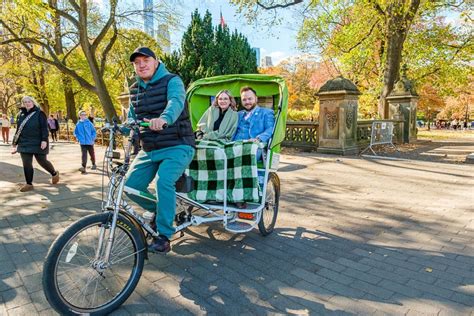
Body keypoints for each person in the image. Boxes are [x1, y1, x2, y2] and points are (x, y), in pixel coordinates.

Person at [125, 46, 195, 253]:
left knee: (163, 181)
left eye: (146, 60)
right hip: (150, 148)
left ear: (156, 62)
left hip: (178, 144)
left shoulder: (172, 80)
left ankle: (164, 234)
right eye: (137, 62)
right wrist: (123, 127)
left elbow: (176, 101)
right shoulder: (133, 90)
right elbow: (131, 118)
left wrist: (164, 119)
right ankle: (163, 210)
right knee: (130, 185)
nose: (141, 64)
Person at [11, 96, 59, 192]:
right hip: (24, 142)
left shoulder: (40, 113)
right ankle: (29, 184)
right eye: (25, 102)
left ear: (33, 102)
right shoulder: (20, 114)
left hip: (38, 141)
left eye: (29, 101)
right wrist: (14, 143)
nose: (27, 103)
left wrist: (44, 140)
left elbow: (44, 128)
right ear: (23, 104)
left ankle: (54, 173)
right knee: (26, 163)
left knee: (42, 161)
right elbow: (18, 129)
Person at [233, 86, 275, 153]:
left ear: (256, 98)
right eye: (244, 99)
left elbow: (270, 129)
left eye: (250, 99)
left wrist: (258, 139)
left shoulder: (266, 113)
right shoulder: (238, 114)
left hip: (254, 147)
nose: (247, 102)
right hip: (235, 145)